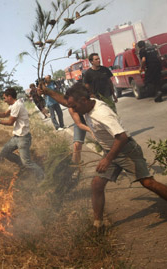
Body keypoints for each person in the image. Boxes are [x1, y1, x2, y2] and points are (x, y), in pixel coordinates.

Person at [64, 83, 167, 229]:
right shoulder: (86, 103)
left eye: (74, 106)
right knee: (97, 185)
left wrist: (107, 159)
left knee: (148, 183)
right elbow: (67, 101)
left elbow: (122, 137)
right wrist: (48, 92)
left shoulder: (102, 114)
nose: (72, 110)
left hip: (126, 151)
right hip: (111, 152)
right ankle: (98, 225)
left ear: (83, 100)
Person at [0, 88, 45, 179]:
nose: (4, 100)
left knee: (27, 162)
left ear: (9, 97)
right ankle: (22, 166)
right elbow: (5, 114)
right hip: (16, 138)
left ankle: (42, 176)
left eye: (5, 98)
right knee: (4, 152)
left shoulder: (17, 105)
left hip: (23, 138)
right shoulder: (14, 105)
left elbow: (10, 122)